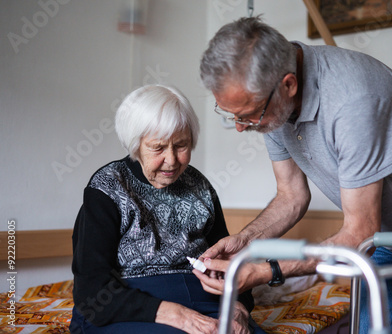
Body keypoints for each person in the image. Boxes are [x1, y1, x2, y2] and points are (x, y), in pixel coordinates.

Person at [196, 16, 392, 333]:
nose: (242, 127)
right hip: (384, 230)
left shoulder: (354, 100)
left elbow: (358, 232)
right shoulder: (271, 103)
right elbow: (291, 196)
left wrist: (268, 271)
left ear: (288, 85)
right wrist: (245, 242)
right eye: (233, 116)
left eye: (248, 115)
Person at [70, 85, 264, 334]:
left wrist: (238, 308)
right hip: (128, 308)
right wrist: (178, 315)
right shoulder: (107, 187)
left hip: (205, 302)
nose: (172, 160)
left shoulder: (200, 186)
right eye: (158, 148)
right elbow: (91, 292)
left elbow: (229, 265)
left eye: (181, 146)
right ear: (135, 144)